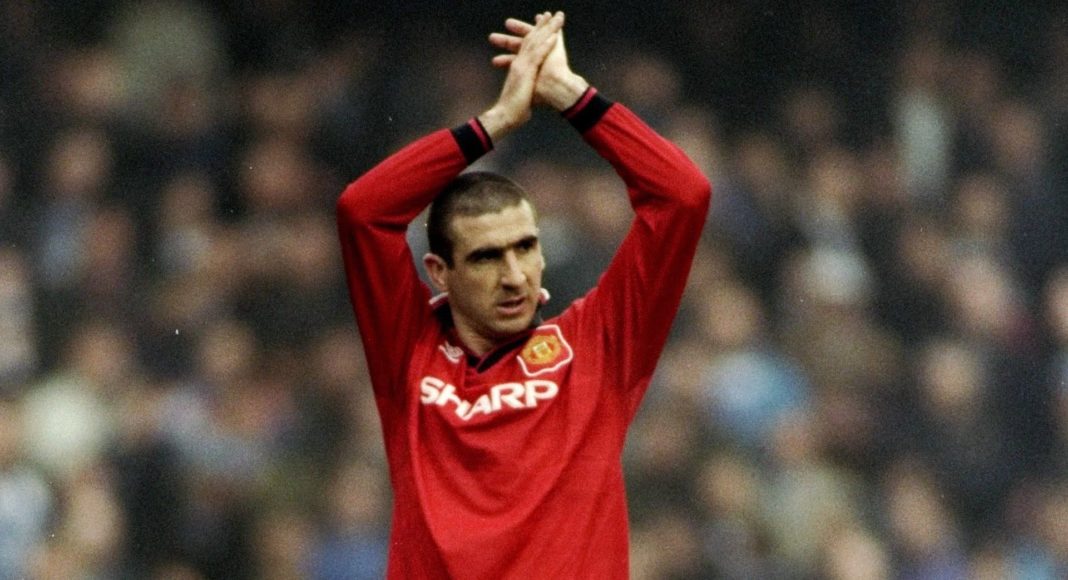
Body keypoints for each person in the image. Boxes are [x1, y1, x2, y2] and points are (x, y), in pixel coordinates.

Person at [336, 11, 711, 578]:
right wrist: (495, 123)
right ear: (439, 272)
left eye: (525, 248)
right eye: (486, 257)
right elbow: (362, 211)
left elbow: (683, 195)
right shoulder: (408, 350)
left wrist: (570, 95)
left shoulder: (597, 347)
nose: (514, 275)